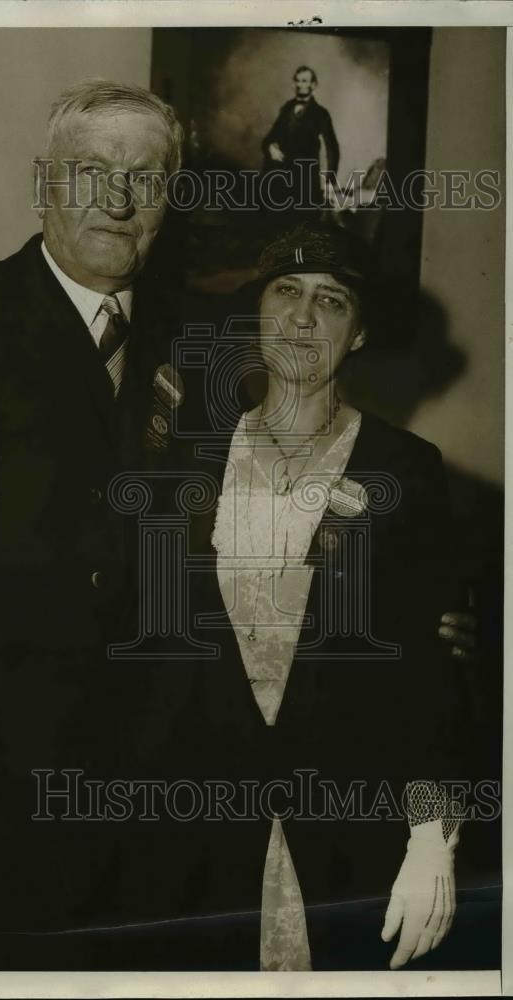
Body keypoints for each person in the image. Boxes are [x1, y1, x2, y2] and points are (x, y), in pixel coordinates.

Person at [0, 83, 475, 972]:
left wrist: (439, 627)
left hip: (157, 822)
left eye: (145, 177)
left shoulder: (196, 345)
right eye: (91, 172)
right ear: (43, 183)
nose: (118, 200)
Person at [184, 220, 470, 971]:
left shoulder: (403, 467)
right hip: (195, 838)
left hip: (350, 832)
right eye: (286, 292)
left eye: (332, 301)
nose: (305, 317)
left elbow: (434, 673)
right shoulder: (187, 462)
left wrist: (431, 838)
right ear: (257, 315)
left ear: (360, 333)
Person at [261, 66, 339, 212]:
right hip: (279, 181)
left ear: (313, 85)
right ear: (293, 83)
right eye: (297, 81)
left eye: (304, 81)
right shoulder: (286, 108)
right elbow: (270, 138)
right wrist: (270, 147)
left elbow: (332, 149)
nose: (300, 85)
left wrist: (330, 182)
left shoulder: (321, 113)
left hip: (305, 183)